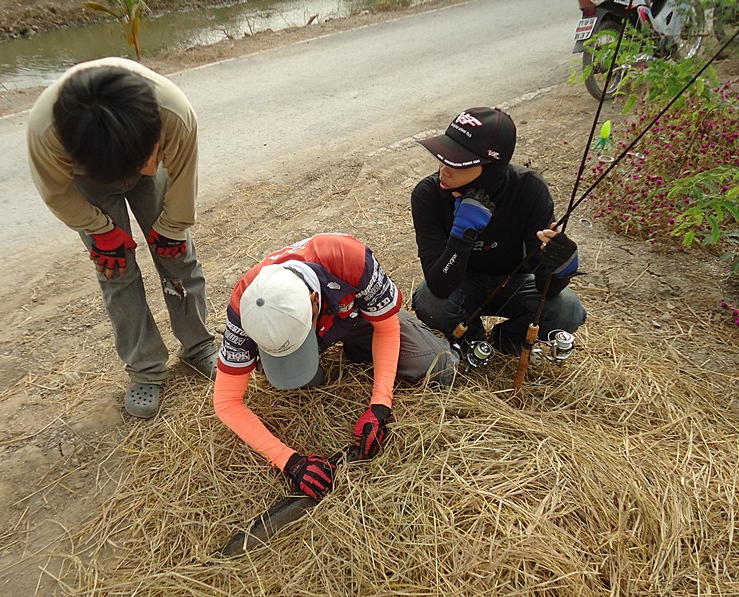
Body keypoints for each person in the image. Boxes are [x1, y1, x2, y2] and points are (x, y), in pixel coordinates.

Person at [27, 57, 219, 419]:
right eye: (138, 164)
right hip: (90, 182)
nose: (145, 170)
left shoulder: (172, 111)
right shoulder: (46, 134)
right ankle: (145, 367)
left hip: (143, 144)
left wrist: (173, 226)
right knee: (115, 272)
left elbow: (182, 173)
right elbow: (56, 193)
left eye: (149, 157)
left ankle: (197, 344)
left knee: (177, 257)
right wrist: (102, 231)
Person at [213, 233, 457, 500]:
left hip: (356, 317)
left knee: (439, 365)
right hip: (315, 327)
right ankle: (316, 357)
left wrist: (380, 405)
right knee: (299, 380)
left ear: (314, 303)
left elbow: (386, 328)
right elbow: (226, 402)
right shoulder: (245, 305)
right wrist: (289, 462)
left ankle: (358, 345)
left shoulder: (348, 259)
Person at [410, 107, 586, 355]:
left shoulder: (529, 190)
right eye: (444, 157)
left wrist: (561, 269)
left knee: (568, 309)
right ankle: (472, 338)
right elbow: (439, 286)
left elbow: (547, 286)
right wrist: (462, 235)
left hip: (515, 282)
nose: (444, 169)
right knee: (428, 301)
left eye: (458, 162)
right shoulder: (428, 194)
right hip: (461, 283)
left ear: (491, 167)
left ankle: (509, 340)